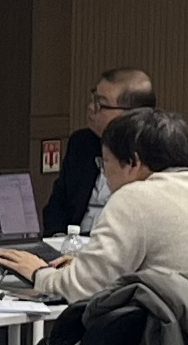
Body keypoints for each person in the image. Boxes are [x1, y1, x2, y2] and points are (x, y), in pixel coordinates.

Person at [0, 105, 188, 304]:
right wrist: (86, 265)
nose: (105, 175)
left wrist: (39, 273)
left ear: (133, 163)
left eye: (105, 163)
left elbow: (83, 290)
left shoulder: (136, 197)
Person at [42, 66, 157, 235]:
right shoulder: (81, 143)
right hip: (71, 242)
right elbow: (57, 206)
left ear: (131, 114)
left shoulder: (156, 153)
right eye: (92, 98)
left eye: (100, 103)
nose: (90, 107)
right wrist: (57, 238)